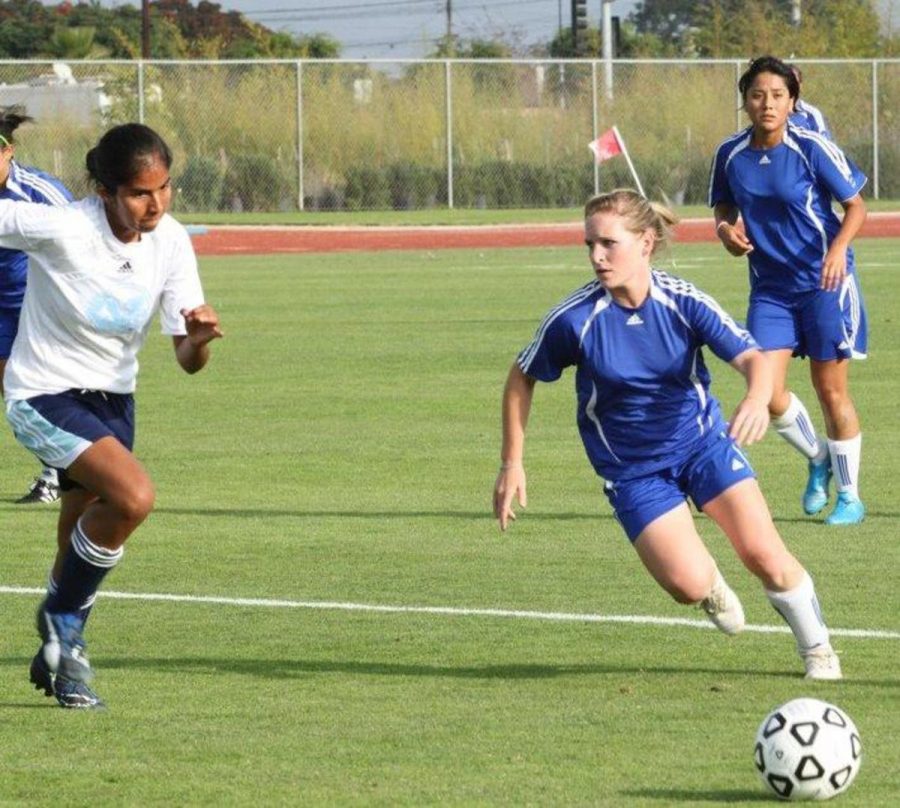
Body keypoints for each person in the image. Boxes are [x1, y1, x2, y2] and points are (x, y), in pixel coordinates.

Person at [493, 189, 842, 681]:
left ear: (646, 243)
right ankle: (709, 584)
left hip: (702, 446)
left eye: (608, 243)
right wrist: (513, 462)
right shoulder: (575, 319)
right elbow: (521, 376)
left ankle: (819, 651)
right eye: (589, 244)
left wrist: (755, 398)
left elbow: (753, 360)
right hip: (632, 471)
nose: (596, 256)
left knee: (765, 554)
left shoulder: (682, 302)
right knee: (687, 583)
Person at [1, 123, 223, 709]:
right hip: (44, 394)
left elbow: (185, 359)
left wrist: (197, 339)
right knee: (134, 497)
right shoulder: (64, 226)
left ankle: (63, 664)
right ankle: (59, 623)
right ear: (104, 190)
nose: (154, 205)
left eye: (164, 188)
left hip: (113, 404)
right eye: (139, 193)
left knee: (78, 540)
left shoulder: (171, 240)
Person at [709, 55, 868, 526]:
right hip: (771, 290)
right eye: (757, 95)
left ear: (792, 100)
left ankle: (850, 496)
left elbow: (856, 206)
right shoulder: (730, 154)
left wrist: (838, 249)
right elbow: (723, 204)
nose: (767, 104)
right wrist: (725, 230)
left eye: (778, 95)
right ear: (745, 102)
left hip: (824, 284)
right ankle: (817, 458)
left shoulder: (811, 146)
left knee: (830, 390)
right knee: (767, 388)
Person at [0, 106, 73, 504]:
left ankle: (60, 473)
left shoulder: (40, 192)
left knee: (38, 390)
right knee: (14, 398)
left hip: (37, 305)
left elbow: (83, 238)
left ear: (8, 150)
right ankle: (58, 468)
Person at [788, 64, 833, 141]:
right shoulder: (769, 112)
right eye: (787, 83)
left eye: (794, 83)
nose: (791, 87)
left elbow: (825, 142)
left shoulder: (811, 114)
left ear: (800, 86)